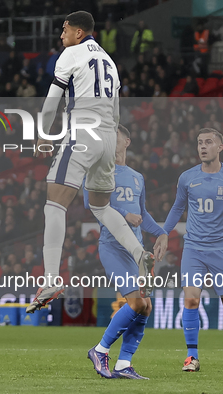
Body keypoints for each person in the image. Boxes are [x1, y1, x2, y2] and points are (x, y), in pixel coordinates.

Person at [28, 11, 155, 313]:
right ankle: (140, 254)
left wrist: (44, 133)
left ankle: (50, 279)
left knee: (55, 203)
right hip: (108, 136)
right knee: (100, 206)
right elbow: (116, 110)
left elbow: (51, 100)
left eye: (65, 30)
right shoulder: (109, 61)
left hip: (82, 133)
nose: (62, 35)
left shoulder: (70, 55)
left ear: (79, 33)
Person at [163, 128, 223, 374]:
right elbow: (176, 208)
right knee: (191, 299)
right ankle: (191, 358)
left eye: (208, 142)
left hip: (222, 249)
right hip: (193, 249)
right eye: (199, 143)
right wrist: (164, 232)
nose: (202, 146)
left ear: (220, 147)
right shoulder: (187, 177)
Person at [85, 125, 167, 379]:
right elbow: (93, 204)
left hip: (137, 251)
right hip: (113, 247)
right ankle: (100, 350)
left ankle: (124, 364)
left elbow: (142, 215)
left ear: (126, 142)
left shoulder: (136, 176)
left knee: (146, 307)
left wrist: (162, 232)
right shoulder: (99, 171)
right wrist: (123, 215)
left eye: (114, 137)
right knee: (136, 302)